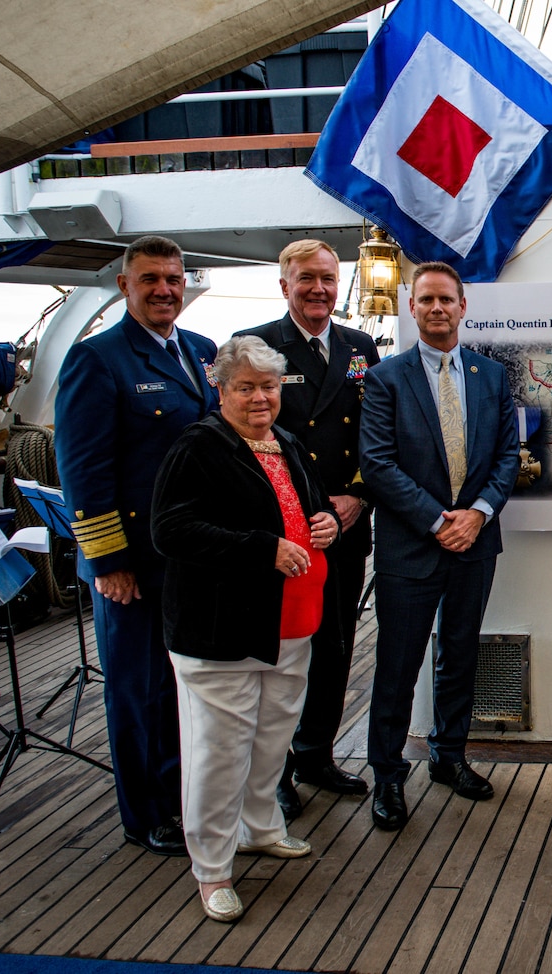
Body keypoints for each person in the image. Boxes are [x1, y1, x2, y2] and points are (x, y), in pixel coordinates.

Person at [152, 335, 338, 923]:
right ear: (221, 388)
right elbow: (171, 531)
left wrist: (326, 523)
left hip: (289, 622)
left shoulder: (285, 441)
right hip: (222, 629)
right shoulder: (199, 448)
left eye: (269, 386)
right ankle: (212, 870)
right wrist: (263, 548)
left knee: (272, 738)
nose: (261, 398)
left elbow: (307, 510)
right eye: (247, 387)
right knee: (219, 752)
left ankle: (261, 828)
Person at [54, 235, 218, 857]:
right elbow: (83, 471)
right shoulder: (97, 360)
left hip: (191, 557)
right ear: (125, 286)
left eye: (173, 280)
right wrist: (109, 562)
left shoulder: (200, 352)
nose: (164, 291)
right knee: (138, 687)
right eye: (150, 280)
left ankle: (183, 798)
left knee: (184, 686)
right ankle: (145, 813)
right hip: (135, 564)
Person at [358, 261, 519, 831]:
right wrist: (436, 521)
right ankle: (387, 774)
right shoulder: (385, 379)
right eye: (425, 300)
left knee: (460, 655)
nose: (436, 308)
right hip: (410, 548)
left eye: (446, 299)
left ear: (462, 306)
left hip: (475, 543)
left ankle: (450, 758)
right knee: (397, 667)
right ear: (412, 307)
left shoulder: (491, 376)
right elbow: (376, 465)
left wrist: (475, 515)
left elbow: (507, 457)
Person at [235, 239, 380, 818]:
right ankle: (274, 772)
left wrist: (359, 497)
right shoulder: (256, 347)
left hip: (342, 525)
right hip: (286, 532)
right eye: (306, 279)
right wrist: (296, 513)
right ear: (284, 285)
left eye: (327, 278)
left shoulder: (359, 346)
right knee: (281, 653)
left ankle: (316, 751)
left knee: (336, 644)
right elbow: (245, 438)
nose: (318, 289)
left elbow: (377, 430)